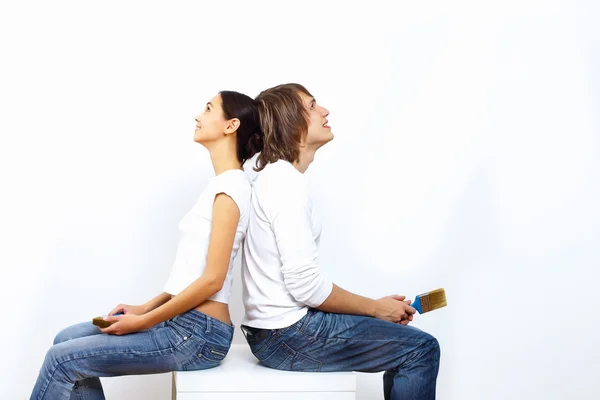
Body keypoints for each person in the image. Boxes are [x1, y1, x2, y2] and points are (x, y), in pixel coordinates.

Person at [31, 90, 263, 400]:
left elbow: (212, 280)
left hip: (199, 335)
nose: (198, 116)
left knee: (61, 361)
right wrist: (145, 307)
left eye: (208, 109)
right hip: (183, 321)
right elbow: (191, 274)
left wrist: (143, 321)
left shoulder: (231, 187)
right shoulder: (220, 185)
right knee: (65, 339)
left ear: (230, 125)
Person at [241, 83, 440, 400]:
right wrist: (375, 309)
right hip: (288, 335)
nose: (324, 111)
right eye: (312, 105)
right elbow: (305, 286)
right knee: (421, 349)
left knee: (409, 343)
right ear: (290, 123)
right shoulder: (284, 185)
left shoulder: (276, 179)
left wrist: (375, 310)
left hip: (274, 332)